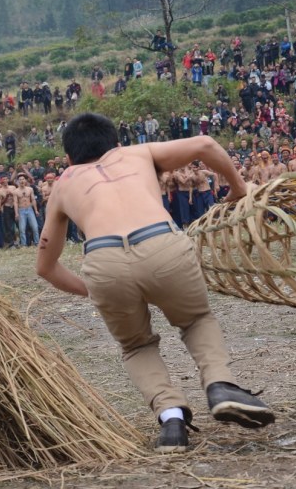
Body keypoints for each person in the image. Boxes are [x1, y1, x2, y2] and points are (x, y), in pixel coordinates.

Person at [36, 113, 274, 454]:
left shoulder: (63, 183)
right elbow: (205, 144)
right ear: (116, 144)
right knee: (195, 320)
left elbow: (45, 266)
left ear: (70, 159)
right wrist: (238, 189)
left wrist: (93, 288)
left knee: (136, 346)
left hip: (103, 262)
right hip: (161, 243)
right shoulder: (135, 153)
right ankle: (220, 385)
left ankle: (171, 418)